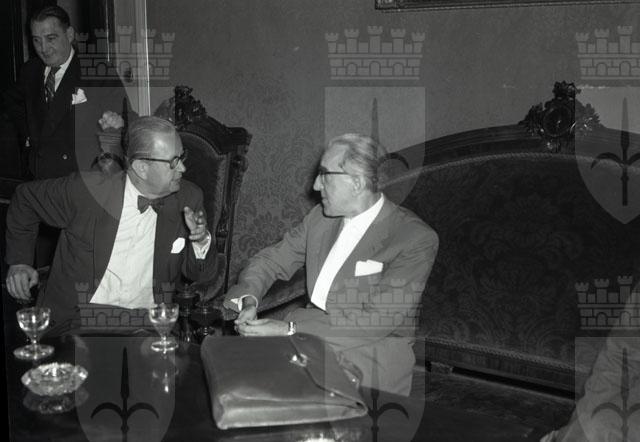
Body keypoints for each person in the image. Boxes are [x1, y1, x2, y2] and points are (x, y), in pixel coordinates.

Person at [223, 133, 439, 396]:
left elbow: (375, 322)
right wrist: (249, 300)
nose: (315, 185)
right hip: (308, 341)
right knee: (233, 377)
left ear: (357, 183)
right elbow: (269, 261)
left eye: (325, 175)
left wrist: (289, 330)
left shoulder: (413, 238)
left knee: (262, 391)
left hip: (369, 356)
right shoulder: (320, 219)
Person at [5, 116, 217, 331]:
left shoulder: (188, 199)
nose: (183, 168)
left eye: (182, 157)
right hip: (79, 319)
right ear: (142, 167)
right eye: (174, 161)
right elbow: (25, 199)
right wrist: (19, 261)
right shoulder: (87, 192)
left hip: (148, 323)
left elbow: (198, 275)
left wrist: (200, 241)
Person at [2, 4, 129, 179]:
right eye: (37, 40)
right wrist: (28, 136)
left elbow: (126, 119)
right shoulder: (29, 71)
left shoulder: (98, 71)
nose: (43, 48)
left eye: (51, 38)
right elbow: (10, 105)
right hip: (39, 178)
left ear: (69, 34)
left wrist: (117, 124)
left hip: (80, 178)